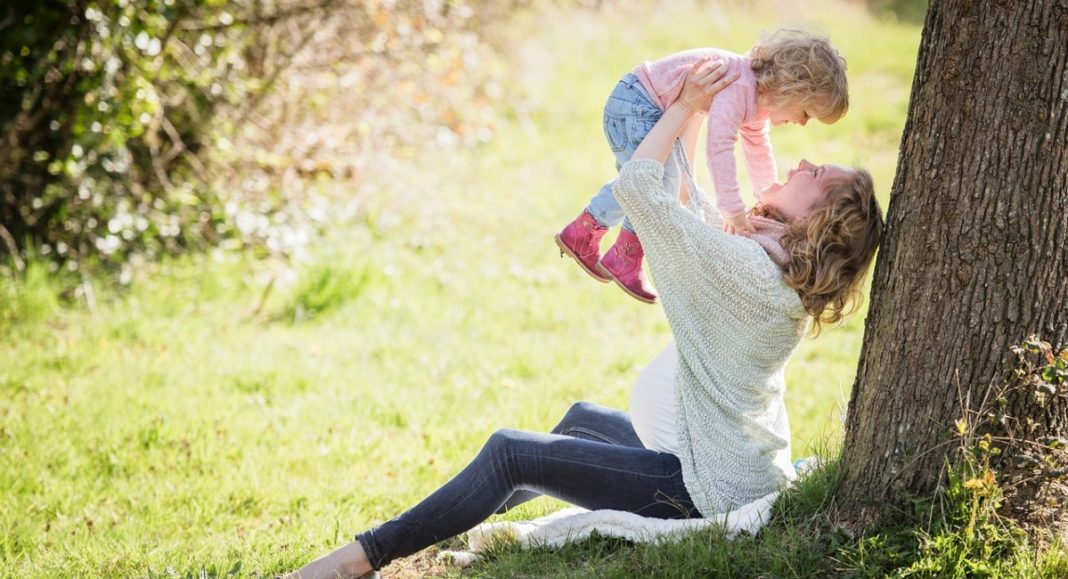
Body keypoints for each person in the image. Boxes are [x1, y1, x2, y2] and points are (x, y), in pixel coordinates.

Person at [285, 58, 882, 579]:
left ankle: (360, 558)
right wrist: (701, 109)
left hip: (700, 492)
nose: (804, 160)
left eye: (820, 176)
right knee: (580, 423)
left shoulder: (749, 272)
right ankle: (438, 523)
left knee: (510, 453)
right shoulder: (764, 261)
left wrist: (679, 107)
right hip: (720, 466)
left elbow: (642, 190)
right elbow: (686, 203)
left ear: (819, 221)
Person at [555, 29, 849, 304]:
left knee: (651, 181)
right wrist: (732, 209)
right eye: (806, 113)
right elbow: (719, 146)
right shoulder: (740, 86)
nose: (801, 122)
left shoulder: (756, 99)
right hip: (636, 104)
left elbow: (758, 150)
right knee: (652, 182)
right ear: (790, 89)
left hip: (642, 104)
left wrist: (767, 194)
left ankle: (590, 235)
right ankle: (620, 252)